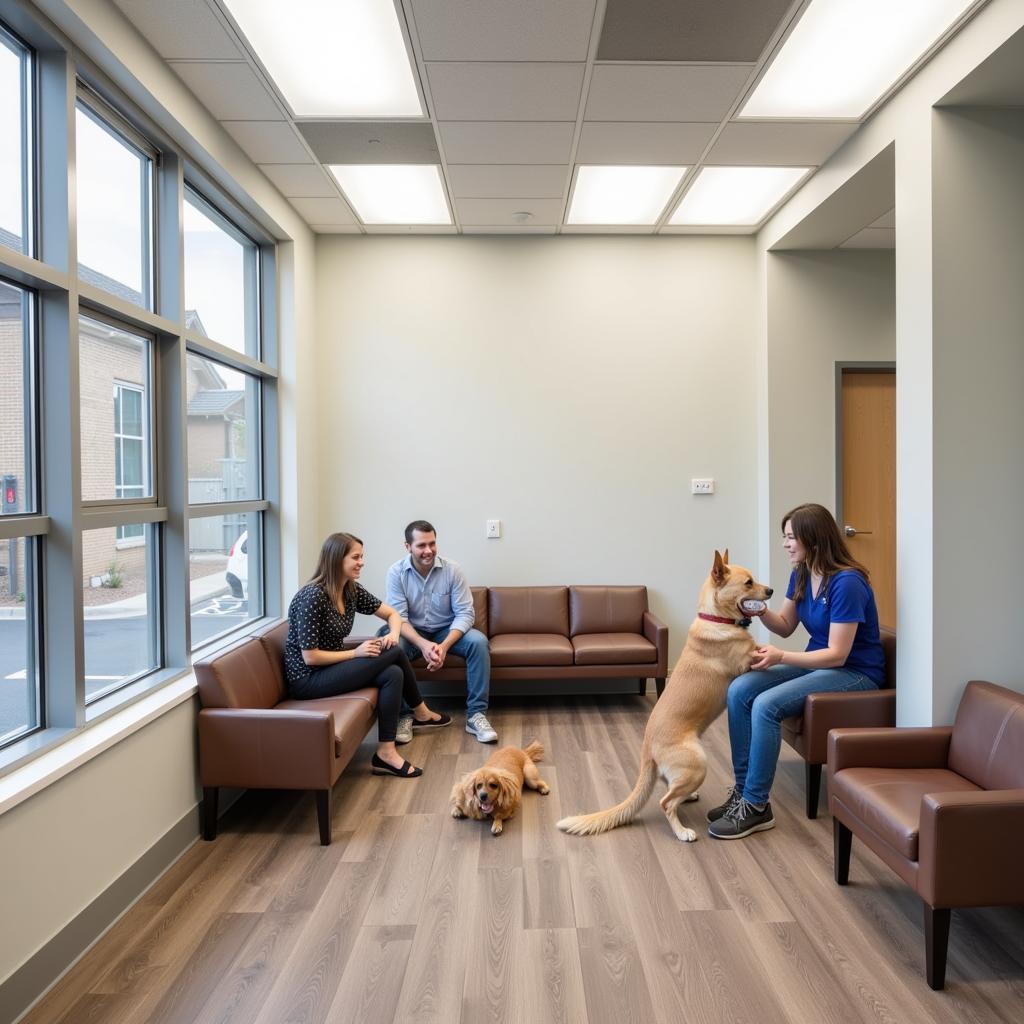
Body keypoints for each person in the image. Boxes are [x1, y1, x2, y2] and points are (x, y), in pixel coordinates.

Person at [707, 503, 886, 840]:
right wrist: (757, 609)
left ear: (813, 539)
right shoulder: (802, 573)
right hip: (822, 663)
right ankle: (743, 793)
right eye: (784, 537)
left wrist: (781, 657)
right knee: (740, 690)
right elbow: (786, 625)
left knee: (766, 705)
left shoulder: (847, 583)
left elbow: (837, 654)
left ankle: (757, 807)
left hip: (856, 673)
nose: (786, 544)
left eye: (791, 538)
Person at [285, 532, 451, 778]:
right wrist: (356, 653)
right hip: (308, 679)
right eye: (355, 557)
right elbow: (310, 657)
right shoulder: (313, 596)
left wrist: (394, 634)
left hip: (331, 669)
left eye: (361, 556)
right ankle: (421, 711)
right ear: (335, 560)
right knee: (393, 653)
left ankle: (385, 751)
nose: (361, 562)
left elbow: (392, 615)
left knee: (393, 673)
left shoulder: (350, 590)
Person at [383, 520, 497, 744]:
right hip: (412, 633)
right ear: (408, 547)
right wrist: (424, 645)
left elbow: (465, 614)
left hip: (447, 631)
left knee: (479, 642)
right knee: (393, 647)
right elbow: (399, 618)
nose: (428, 551)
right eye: (421, 545)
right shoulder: (396, 573)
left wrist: (443, 646)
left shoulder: (452, 570)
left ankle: (476, 715)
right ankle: (406, 715)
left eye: (432, 544)